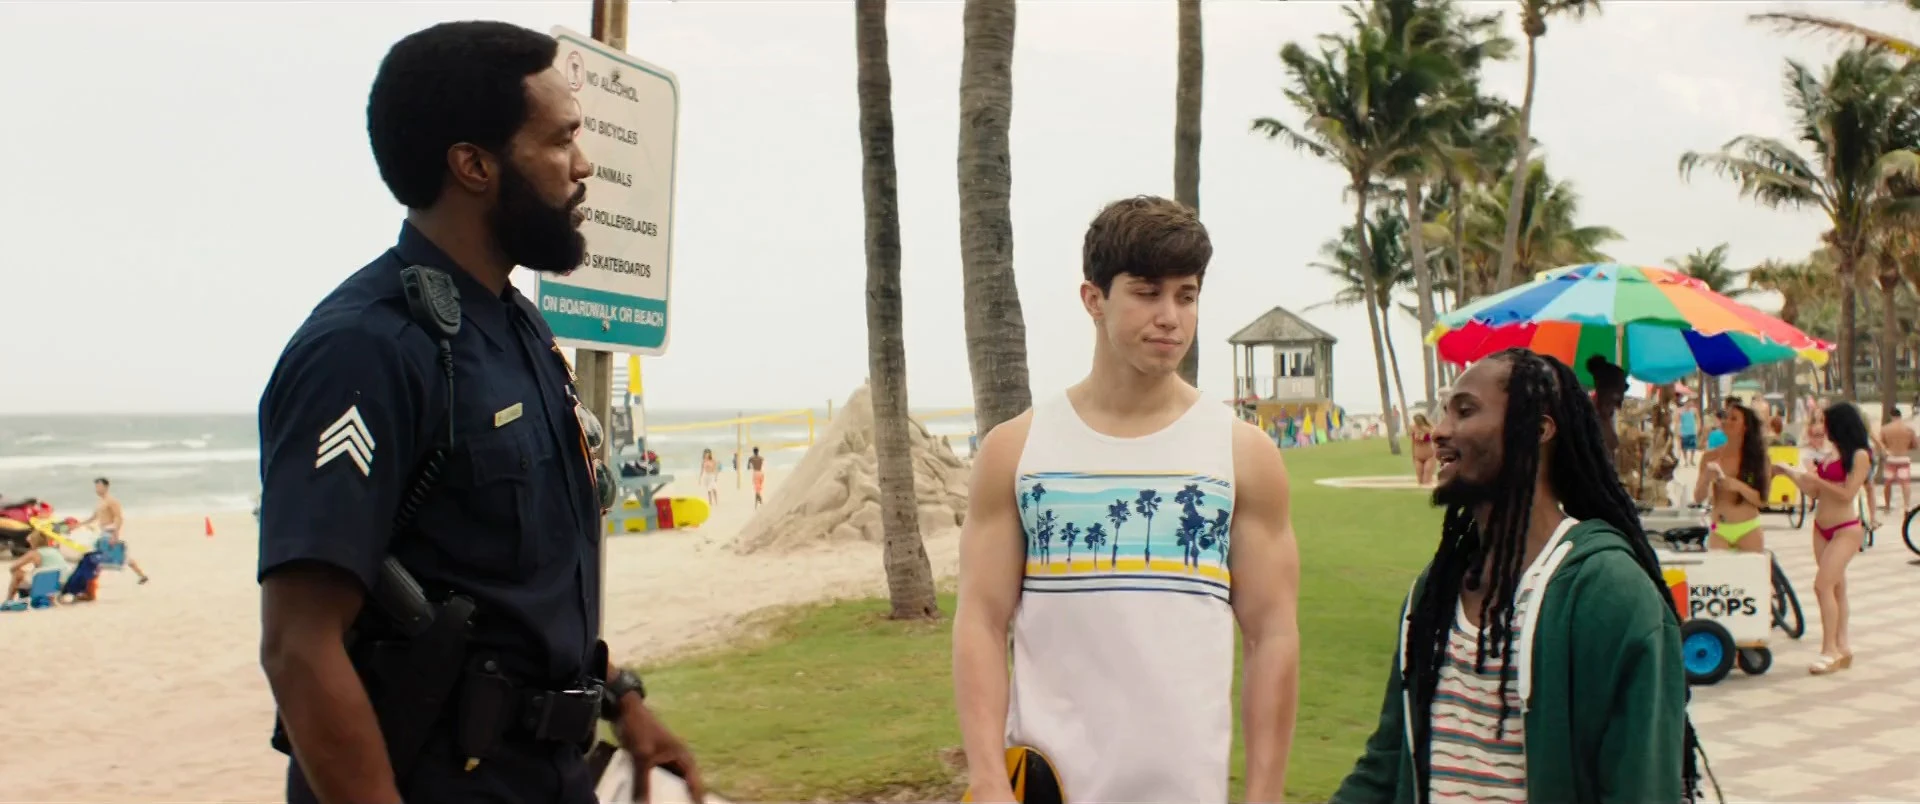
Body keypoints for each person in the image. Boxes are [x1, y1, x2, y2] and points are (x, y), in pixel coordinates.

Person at [255, 22, 702, 804]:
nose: (584, 165)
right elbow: (298, 646)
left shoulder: (516, 329)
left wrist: (619, 699)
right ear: (474, 165)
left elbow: (508, 592)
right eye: (561, 139)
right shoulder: (365, 350)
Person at [953, 196, 1301, 803]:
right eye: (1147, 292)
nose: (1170, 317)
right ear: (1094, 299)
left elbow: (1272, 634)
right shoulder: (1017, 451)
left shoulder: (1242, 455)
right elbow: (980, 620)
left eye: (1186, 296)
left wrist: (1264, 796)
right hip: (1049, 789)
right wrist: (986, 778)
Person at [1333, 348, 1697, 803]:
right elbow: (1386, 767)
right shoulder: (1435, 592)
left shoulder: (1610, 594)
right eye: (1444, 411)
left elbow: (1639, 790)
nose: (1439, 431)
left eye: (1465, 411)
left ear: (1538, 430)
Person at [1776, 402, 1873, 675]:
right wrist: (1791, 473)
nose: (1822, 428)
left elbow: (1847, 494)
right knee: (1836, 587)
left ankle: (1828, 649)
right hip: (1821, 528)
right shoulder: (1830, 454)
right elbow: (1815, 493)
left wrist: (1817, 480)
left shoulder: (1859, 455)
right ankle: (1842, 646)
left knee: (1822, 586)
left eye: (1825, 422)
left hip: (1846, 528)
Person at [1693, 402, 1769, 553]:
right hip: (1717, 527)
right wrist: (1706, 478)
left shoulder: (1758, 459)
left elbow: (1762, 500)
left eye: (1734, 418)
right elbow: (1698, 498)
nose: (1726, 421)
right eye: (1726, 417)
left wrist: (1738, 486)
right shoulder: (1710, 457)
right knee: (1719, 567)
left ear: (1745, 427)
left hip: (1749, 528)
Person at [71, 477, 149, 584]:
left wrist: (115, 534)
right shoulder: (100, 502)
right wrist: (80, 524)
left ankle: (141, 575)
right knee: (100, 556)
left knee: (119, 556)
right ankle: (141, 576)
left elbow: (118, 517)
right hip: (103, 531)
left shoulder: (112, 501)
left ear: (106, 487)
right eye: (96, 487)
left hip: (111, 531)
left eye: (99, 486)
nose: (97, 489)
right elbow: (94, 517)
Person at [1875, 407, 1913, 514]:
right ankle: (1906, 506)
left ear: (1891, 416)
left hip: (1891, 458)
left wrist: (1886, 450)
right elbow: (1914, 444)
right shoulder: (1908, 429)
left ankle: (1887, 506)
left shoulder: (1885, 429)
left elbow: (1880, 443)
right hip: (1904, 458)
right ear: (1900, 416)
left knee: (1888, 483)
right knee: (1905, 482)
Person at [8, 531, 66, 596]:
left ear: (33, 542)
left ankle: (9, 600)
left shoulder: (34, 553)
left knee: (18, 573)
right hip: (63, 583)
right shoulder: (55, 551)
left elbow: (13, 567)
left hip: (46, 585)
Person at [1408, 412, 1437, 487]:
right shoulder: (1412, 428)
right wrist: (1413, 456)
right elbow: (1412, 443)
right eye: (1415, 421)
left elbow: (1435, 439)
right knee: (1420, 481)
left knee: (1426, 480)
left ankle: (1431, 482)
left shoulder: (1429, 428)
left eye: (1418, 421)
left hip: (1429, 456)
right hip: (1418, 456)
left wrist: (1425, 431)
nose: (1417, 423)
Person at [1677, 400, 1700, 466]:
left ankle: (1691, 460)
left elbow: (1698, 419)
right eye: (1689, 402)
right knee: (1684, 447)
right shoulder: (1680, 411)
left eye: (1691, 402)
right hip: (1684, 431)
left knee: (1693, 447)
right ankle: (1686, 460)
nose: (1691, 403)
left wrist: (1698, 428)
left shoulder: (1694, 410)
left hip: (1692, 431)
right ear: (1686, 402)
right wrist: (1678, 431)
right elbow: (1678, 422)